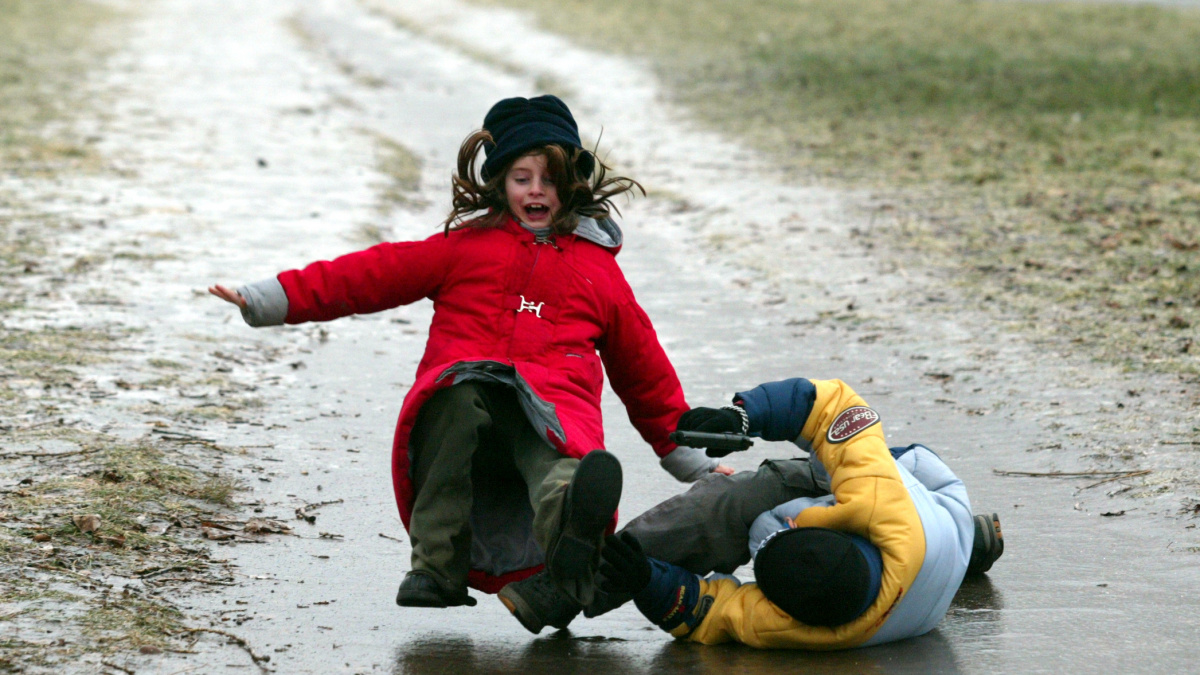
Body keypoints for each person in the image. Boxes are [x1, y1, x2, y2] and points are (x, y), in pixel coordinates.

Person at [209, 95, 730, 610]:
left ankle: (571, 533)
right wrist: (268, 298)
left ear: (572, 184)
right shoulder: (464, 248)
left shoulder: (599, 273)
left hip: (551, 413)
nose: (536, 190)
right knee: (453, 403)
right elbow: (367, 275)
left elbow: (645, 373)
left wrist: (693, 461)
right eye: (522, 178)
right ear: (500, 184)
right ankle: (436, 567)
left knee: (563, 468)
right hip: (464, 398)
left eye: (550, 179)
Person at [594, 376, 1003, 648]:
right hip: (931, 494)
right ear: (838, 525)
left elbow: (710, 614)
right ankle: (966, 539)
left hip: (938, 542)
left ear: (791, 612)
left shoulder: (806, 627)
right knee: (824, 471)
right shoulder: (876, 494)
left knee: (737, 499)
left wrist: (647, 581)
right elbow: (831, 405)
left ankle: (588, 574)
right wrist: (743, 416)